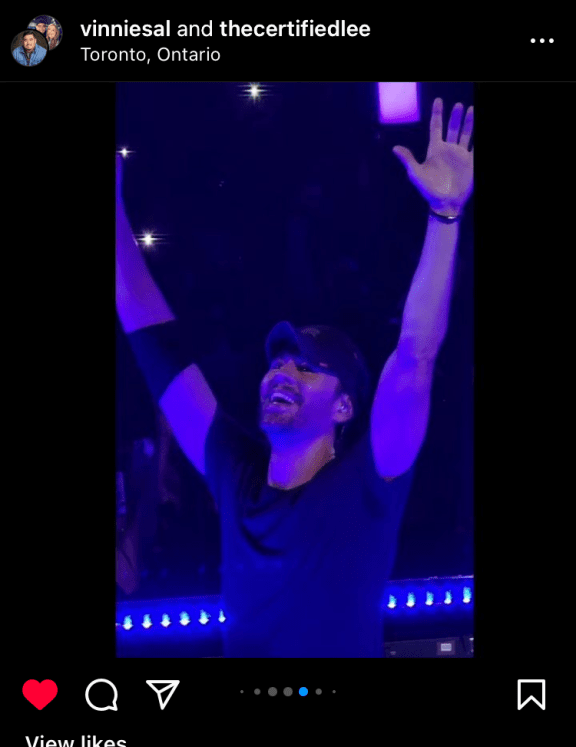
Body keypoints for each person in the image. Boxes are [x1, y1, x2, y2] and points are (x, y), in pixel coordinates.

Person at [115, 97, 474, 657]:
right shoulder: (235, 472)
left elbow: (415, 355)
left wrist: (445, 218)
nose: (282, 371)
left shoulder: (369, 480)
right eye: (278, 362)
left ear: (344, 407)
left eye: (307, 366)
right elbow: (149, 334)